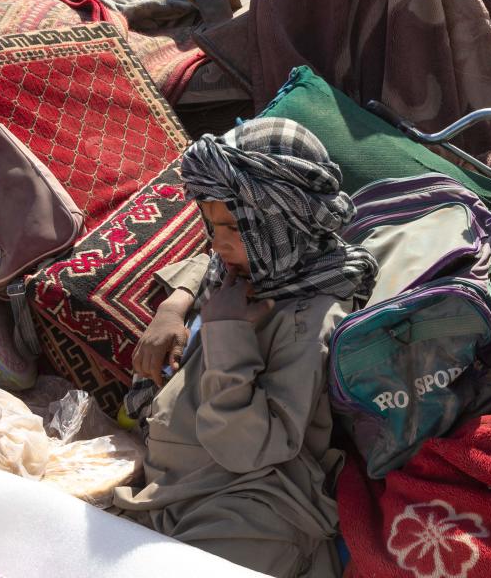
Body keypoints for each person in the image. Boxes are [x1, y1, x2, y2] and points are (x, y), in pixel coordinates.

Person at [112, 118, 378, 577]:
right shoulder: (260, 266)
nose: (219, 244)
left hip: (250, 508)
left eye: (234, 228)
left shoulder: (308, 318)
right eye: (212, 226)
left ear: (281, 220)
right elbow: (207, 261)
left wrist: (227, 334)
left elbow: (252, 449)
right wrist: (174, 307)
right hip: (174, 489)